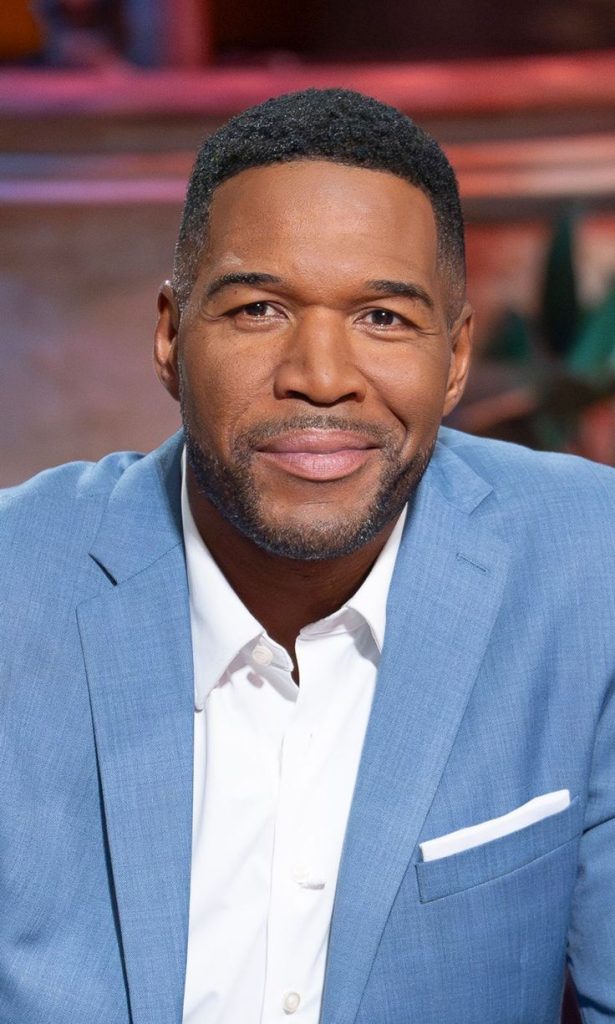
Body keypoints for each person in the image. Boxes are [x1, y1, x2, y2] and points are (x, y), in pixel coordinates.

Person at [1, 88, 614, 1024]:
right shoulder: (17, 584)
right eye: (257, 309)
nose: (321, 378)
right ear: (169, 336)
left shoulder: (587, 564)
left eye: (383, 318)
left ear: (455, 358)